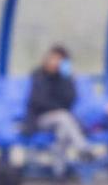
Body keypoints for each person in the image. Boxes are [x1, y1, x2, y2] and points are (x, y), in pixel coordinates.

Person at [24, 44, 98, 172]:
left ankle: (59, 171)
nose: (55, 62)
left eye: (60, 60)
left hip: (63, 120)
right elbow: (38, 101)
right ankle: (84, 148)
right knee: (63, 117)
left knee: (63, 128)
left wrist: (66, 78)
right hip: (40, 119)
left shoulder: (64, 78)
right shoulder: (38, 75)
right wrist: (58, 108)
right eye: (53, 58)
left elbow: (70, 100)